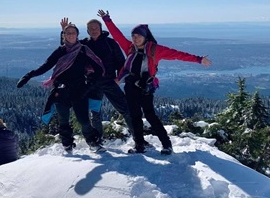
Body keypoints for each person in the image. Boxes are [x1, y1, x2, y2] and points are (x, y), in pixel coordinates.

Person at [98, 10, 212, 155]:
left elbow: (177, 54)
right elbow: (117, 35)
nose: (135, 38)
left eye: (138, 35)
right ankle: (140, 145)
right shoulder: (130, 48)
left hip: (146, 87)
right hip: (131, 85)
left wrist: (198, 59)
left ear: (145, 36)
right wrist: (107, 20)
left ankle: (166, 144)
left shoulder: (154, 50)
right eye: (133, 35)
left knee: (150, 115)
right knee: (134, 116)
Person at [17, 23, 106, 152]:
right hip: (61, 89)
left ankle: (93, 142)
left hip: (79, 89)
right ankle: (67, 144)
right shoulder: (60, 51)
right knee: (63, 119)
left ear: (77, 35)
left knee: (84, 120)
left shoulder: (83, 50)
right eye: (67, 33)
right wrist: (29, 75)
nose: (70, 35)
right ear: (63, 35)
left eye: (73, 33)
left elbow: (98, 68)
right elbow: (46, 66)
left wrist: (90, 85)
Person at [58, 17, 135, 141]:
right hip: (92, 84)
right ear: (87, 31)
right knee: (95, 114)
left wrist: (119, 78)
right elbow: (67, 51)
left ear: (100, 29)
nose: (94, 30)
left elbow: (122, 63)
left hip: (109, 81)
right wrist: (64, 31)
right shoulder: (84, 44)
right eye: (91, 28)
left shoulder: (110, 43)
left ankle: (138, 139)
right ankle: (97, 140)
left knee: (126, 110)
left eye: (96, 28)